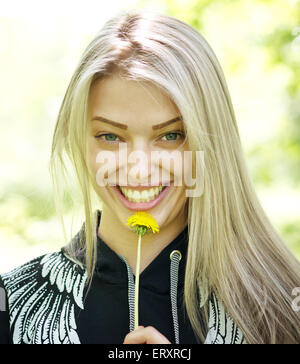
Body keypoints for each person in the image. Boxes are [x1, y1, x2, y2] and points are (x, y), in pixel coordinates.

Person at [0, 9, 299, 345]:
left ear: (212, 143)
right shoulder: (11, 306)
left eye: (170, 135)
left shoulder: (284, 306)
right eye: (110, 136)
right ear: (78, 141)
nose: (139, 168)